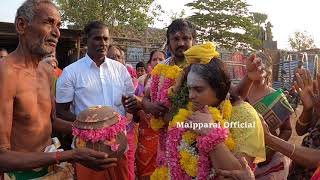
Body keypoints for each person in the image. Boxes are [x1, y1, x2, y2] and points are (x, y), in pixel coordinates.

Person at [0, 1, 117, 179]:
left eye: (59, 25)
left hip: (52, 167)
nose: (56, 33)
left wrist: (91, 131)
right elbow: (2, 156)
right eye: (48, 23)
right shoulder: (5, 74)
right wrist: (70, 155)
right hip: (21, 174)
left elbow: (51, 121)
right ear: (22, 25)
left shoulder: (47, 71)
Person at [149, 43, 265, 179]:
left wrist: (210, 132)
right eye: (189, 88)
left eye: (198, 89)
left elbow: (237, 174)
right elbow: (166, 118)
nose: (191, 95)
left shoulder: (244, 115)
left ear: (219, 88)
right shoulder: (192, 108)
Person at [56, 21, 138, 180]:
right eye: (97, 38)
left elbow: (130, 103)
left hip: (119, 148)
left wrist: (135, 106)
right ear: (86, 40)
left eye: (106, 39)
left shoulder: (120, 69)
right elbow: (60, 111)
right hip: (88, 152)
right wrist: (92, 123)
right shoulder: (71, 72)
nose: (103, 43)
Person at [246, 52, 293, 179]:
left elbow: (287, 130)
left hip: (270, 164)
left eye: (260, 63)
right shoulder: (238, 94)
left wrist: (272, 148)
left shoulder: (277, 98)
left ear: (268, 70)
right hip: (242, 161)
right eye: (252, 63)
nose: (256, 67)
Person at [288, 69, 320, 179]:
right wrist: (308, 109)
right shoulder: (317, 95)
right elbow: (300, 130)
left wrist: (270, 140)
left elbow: (316, 159)